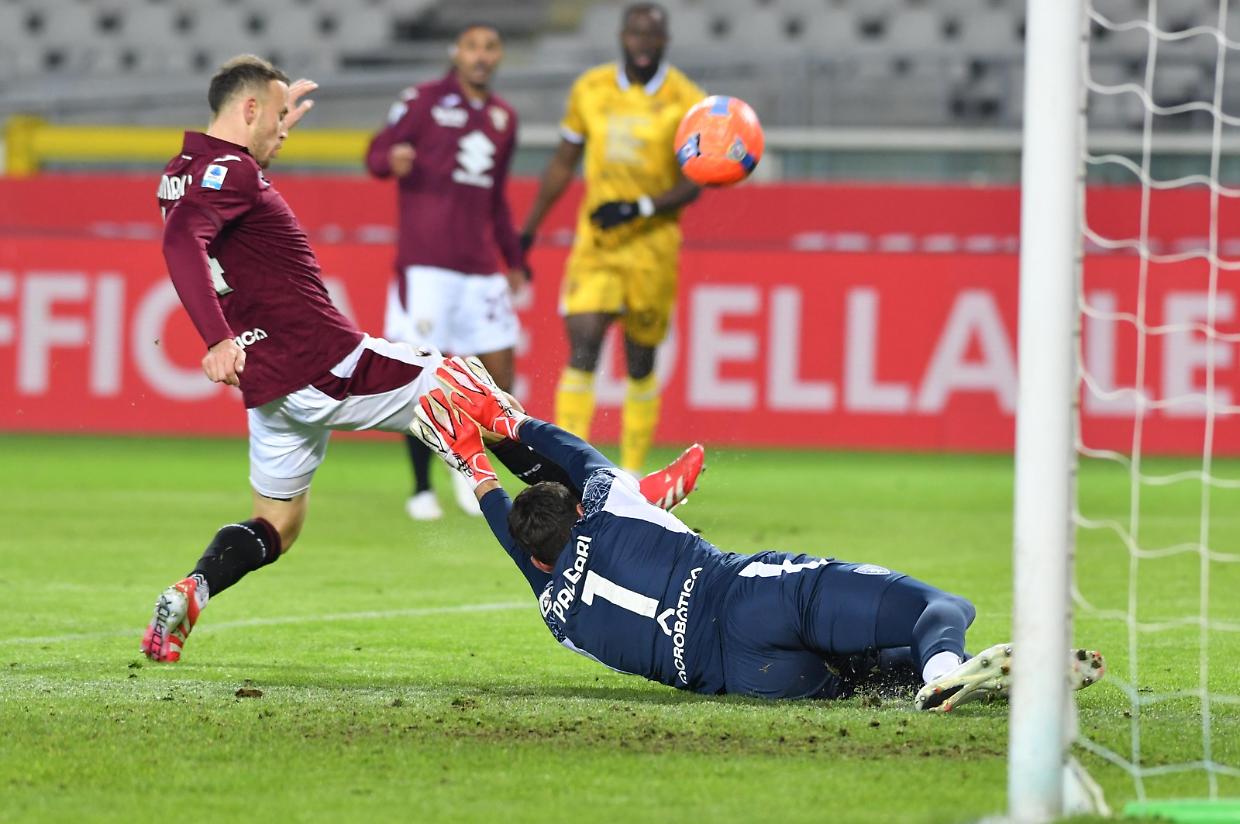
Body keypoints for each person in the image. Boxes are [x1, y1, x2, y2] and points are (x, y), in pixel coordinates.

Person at [141, 55, 704, 663]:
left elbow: (205, 213)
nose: (283, 129)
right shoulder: (234, 171)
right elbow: (183, 241)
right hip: (321, 359)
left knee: (278, 523)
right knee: (475, 390)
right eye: (276, 117)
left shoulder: (185, 170)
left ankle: (194, 588)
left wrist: (270, 116)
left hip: (271, 384)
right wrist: (213, 336)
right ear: (247, 109)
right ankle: (620, 497)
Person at [412, 357, 1108, 710]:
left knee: (871, 678)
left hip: (741, 677)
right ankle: (947, 667)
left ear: (537, 556)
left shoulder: (552, 611)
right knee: (941, 610)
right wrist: (504, 423)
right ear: (581, 511)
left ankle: (940, 679)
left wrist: (473, 469)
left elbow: (514, 543)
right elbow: (576, 452)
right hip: (747, 597)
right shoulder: (609, 503)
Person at [520, 2, 706, 476]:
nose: (645, 43)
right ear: (623, 36)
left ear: (665, 41)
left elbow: (695, 178)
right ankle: (567, 471)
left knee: (640, 360)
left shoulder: (687, 100)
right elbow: (564, 161)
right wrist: (530, 228)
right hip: (598, 243)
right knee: (583, 342)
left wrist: (641, 207)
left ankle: (633, 473)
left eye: (654, 35)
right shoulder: (591, 89)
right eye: (637, 34)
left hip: (653, 244)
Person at [365, 22, 527, 521]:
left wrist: (514, 259)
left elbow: (496, 198)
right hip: (427, 264)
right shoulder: (422, 99)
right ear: (456, 52)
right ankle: (420, 487)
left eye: (491, 46)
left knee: (500, 375)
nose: (481, 56)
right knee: (418, 374)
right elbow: (374, 154)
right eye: (473, 46)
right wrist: (391, 158)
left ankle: (473, 473)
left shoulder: (504, 118)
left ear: (499, 56)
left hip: (478, 266)